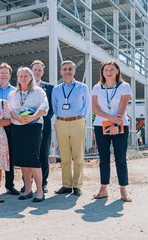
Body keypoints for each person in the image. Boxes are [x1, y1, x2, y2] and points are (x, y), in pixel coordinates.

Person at [91, 60, 132, 202]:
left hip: (120, 125)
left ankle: (123, 190)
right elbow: (95, 108)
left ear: (117, 71)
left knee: (120, 158)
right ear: (102, 72)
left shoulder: (124, 86)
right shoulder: (97, 87)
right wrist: (110, 119)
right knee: (103, 158)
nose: (108, 72)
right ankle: (103, 189)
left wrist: (116, 123)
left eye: (111, 69)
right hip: (101, 125)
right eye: (106, 69)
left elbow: (122, 107)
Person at [6, 67, 49, 203]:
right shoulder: (13, 93)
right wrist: (16, 118)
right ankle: (28, 190)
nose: (23, 78)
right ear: (17, 78)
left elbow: (44, 107)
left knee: (33, 159)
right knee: (23, 160)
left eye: (26, 76)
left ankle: (40, 191)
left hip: (33, 127)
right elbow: (9, 109)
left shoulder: (39, 91)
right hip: (17, 127)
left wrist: (33, 117)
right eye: (21, 76)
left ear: (31, 77)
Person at [51, 60, 90, 197]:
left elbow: (87, 107)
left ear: (74, 71)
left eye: (70, 69)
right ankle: (66, 185)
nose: (67, 71)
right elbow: (55, 107)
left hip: (77, 121)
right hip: (61, 123)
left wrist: (79, 119)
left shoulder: (82, 87)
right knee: (64, 156)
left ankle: (77, 185)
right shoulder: (56, 90)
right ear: (61, 72)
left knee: (78, 155)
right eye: (65, 69)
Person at [30, 60, 54, 193]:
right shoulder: (24, 86)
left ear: (43, 72)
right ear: (31, 71)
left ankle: (43, 182)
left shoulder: (50, 88)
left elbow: (52, 108)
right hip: (28, 127)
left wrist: (43, 119)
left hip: (44, 126)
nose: (37, 72)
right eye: (35, 69)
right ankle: (27, 183)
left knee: (44, 155)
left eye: (39, 70)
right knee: (29, 155)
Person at [0, 63, 20, 196]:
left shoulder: (15, 91)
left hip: (10, 126)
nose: (4, 75)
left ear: (10, 75)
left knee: (9, 156)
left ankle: (9, 185)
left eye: (6, 73)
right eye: (2, 72)